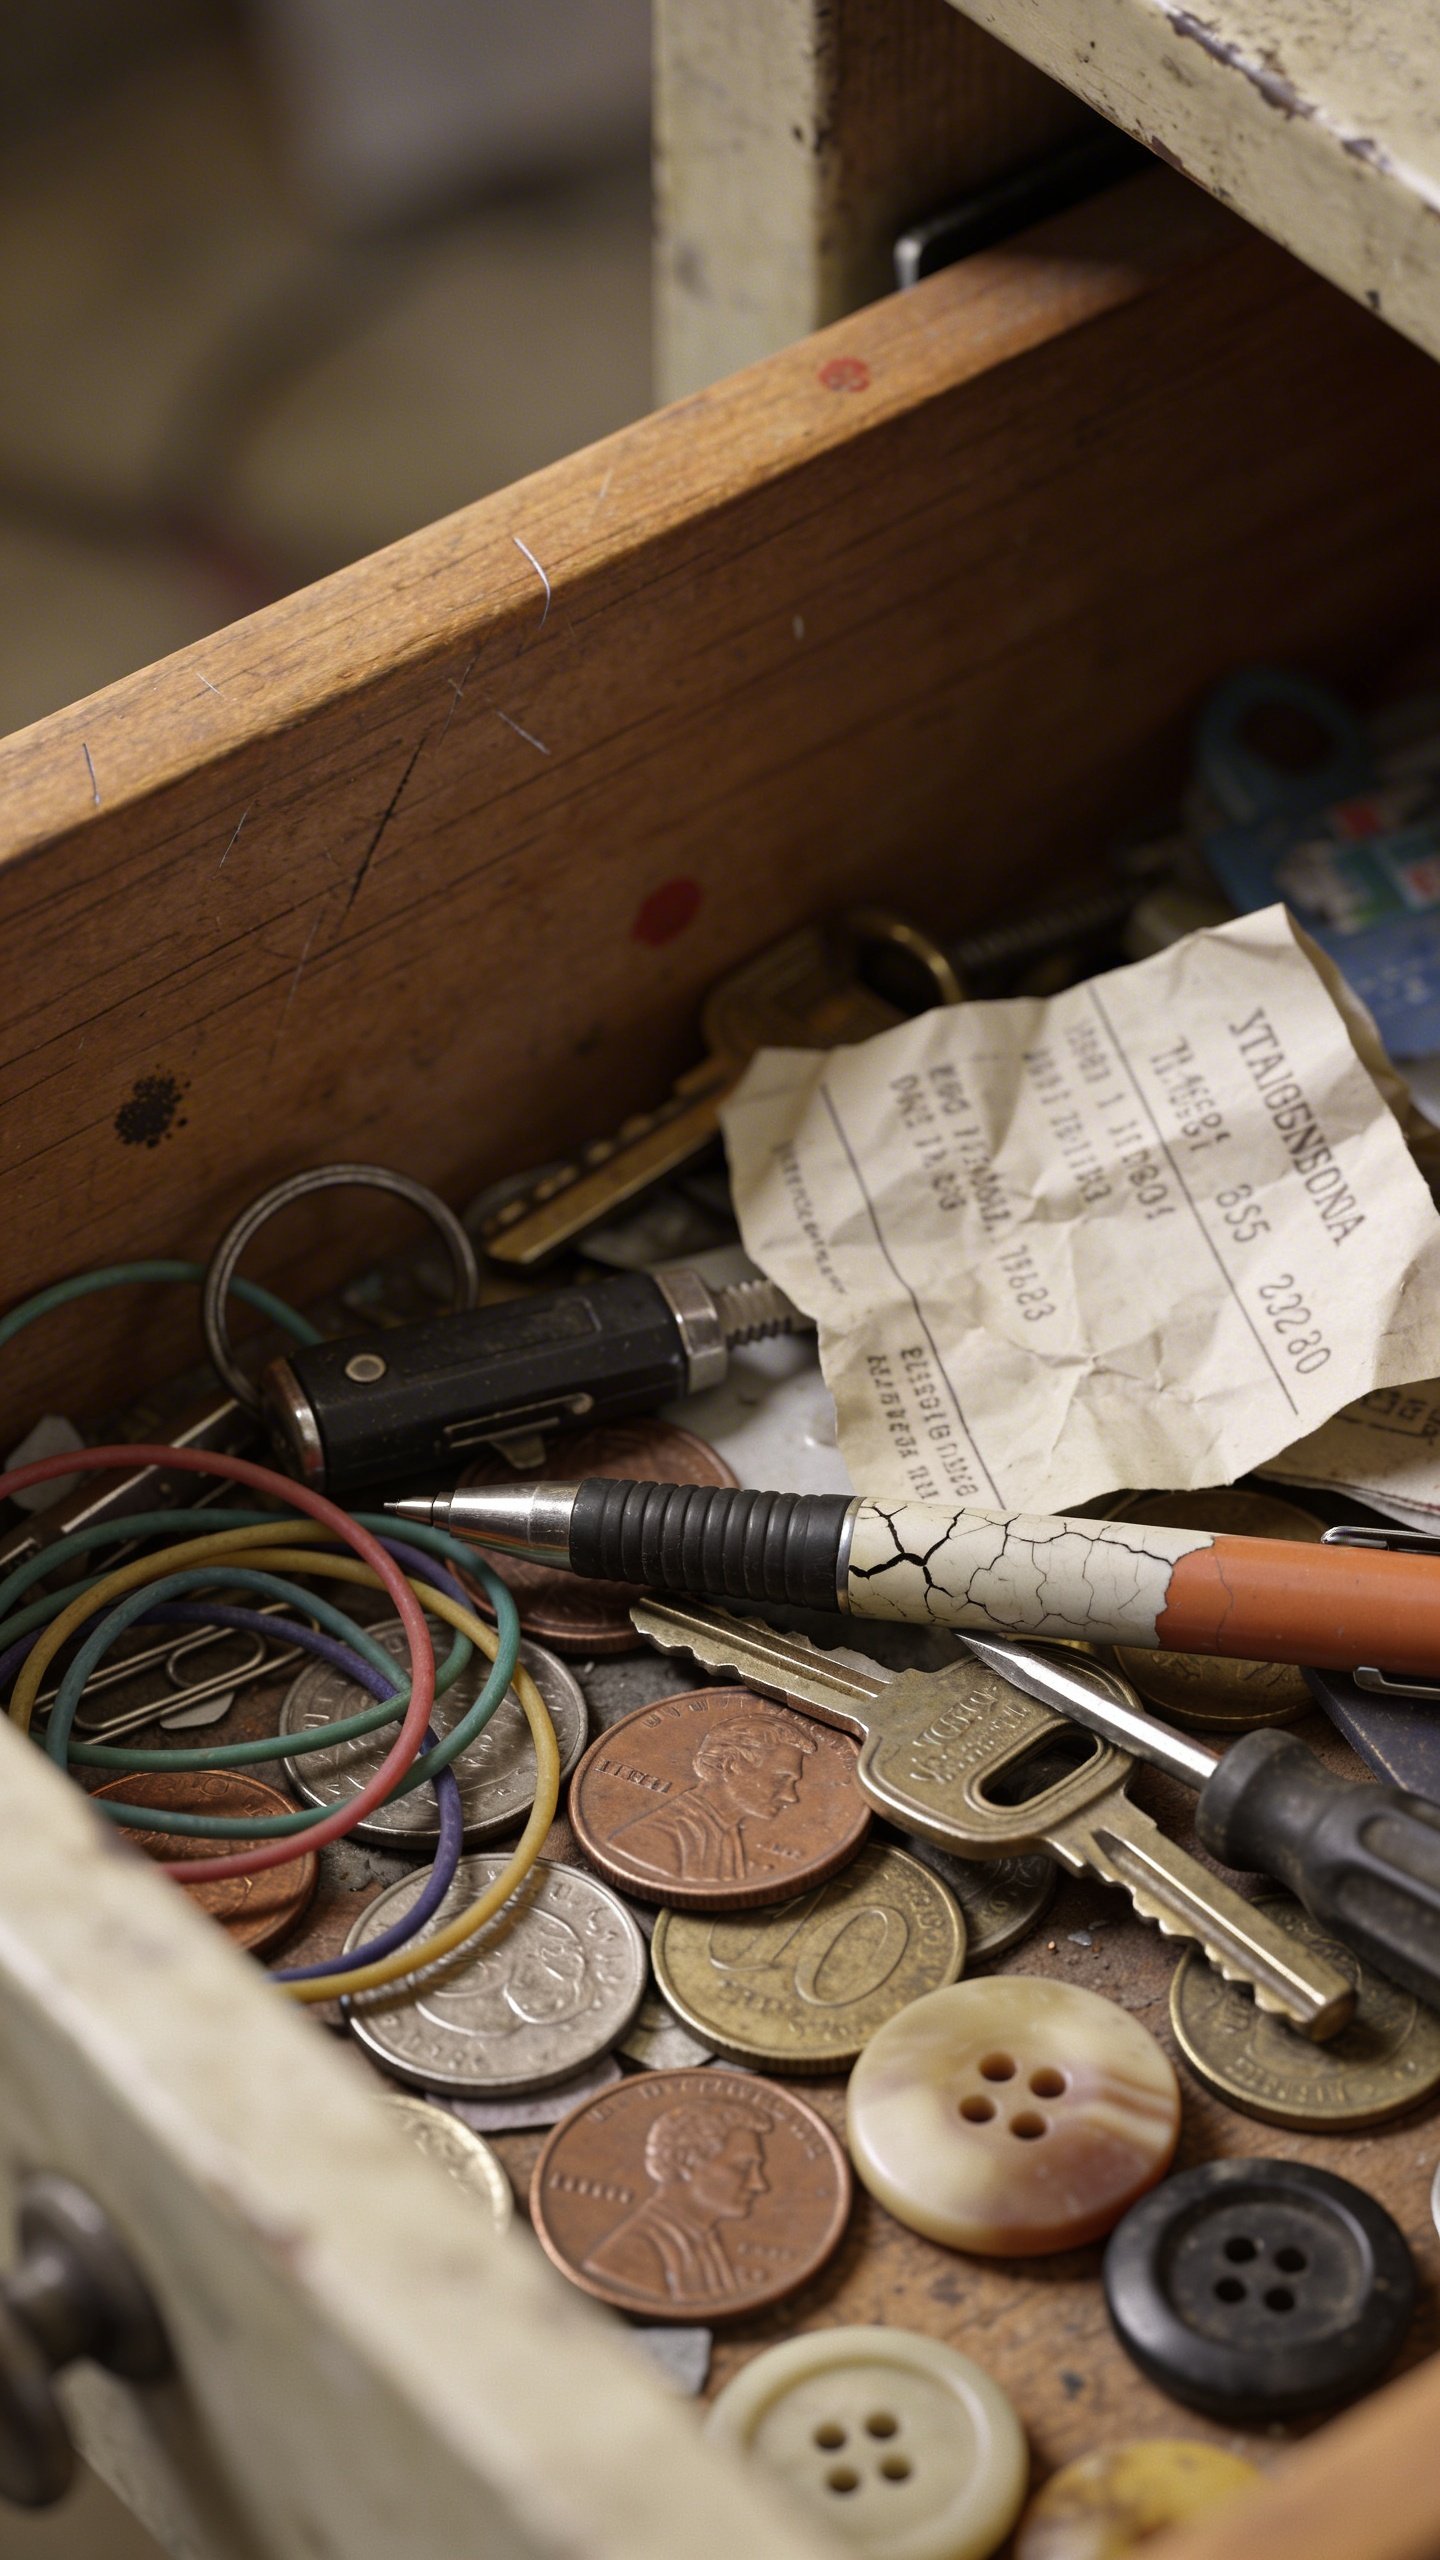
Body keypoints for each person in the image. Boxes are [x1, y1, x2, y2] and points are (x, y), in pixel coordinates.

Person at [584, 2098, 773, 2301]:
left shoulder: (704, 2241)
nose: (758, 2184)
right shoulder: (635, 2251)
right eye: (743, 2167)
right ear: (687, 2162)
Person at [615, 1712, 815, 1882]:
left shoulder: (726, 1832)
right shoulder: (654, 1838)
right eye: (781, 1780)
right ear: (730, 1764)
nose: (790, 1797)